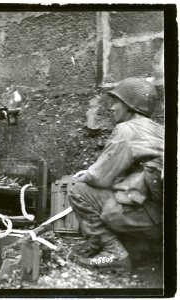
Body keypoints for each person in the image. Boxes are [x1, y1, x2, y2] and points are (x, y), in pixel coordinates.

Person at [68, 77, 164, 272]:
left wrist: (82, 176)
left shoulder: (126, 130)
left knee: (77, 190)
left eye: (116, 102)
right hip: (164, 218)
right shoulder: (160, 130)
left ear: (130, 106)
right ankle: (142, 249)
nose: (112, 108)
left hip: (145, 215)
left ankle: (113, 254)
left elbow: (98, 177)